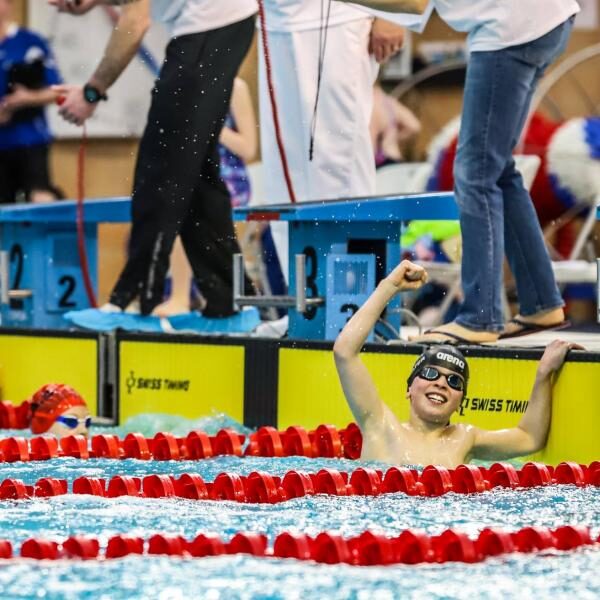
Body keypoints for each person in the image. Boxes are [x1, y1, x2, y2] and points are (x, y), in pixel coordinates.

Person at [336, 0, 580, 344]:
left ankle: (481, 316)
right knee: (497, 169)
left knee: (475, 174)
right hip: (544, 19)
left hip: (511, 29)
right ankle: (541, 301)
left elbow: (413, 2)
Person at [48, 0, 257, 330]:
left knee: (161, 168)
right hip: (218, 26)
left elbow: (134, 22)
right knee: (197, 175)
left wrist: (92, 92)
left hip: (210, 26)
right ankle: (230, 303)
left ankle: (133, 301)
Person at [333, 259, 583, 467]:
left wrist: (543, 373)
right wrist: (389, 287)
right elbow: (344, 351)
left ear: (460, 402)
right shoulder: (380, 425)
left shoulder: (465, 438)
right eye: (431, 373)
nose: (442, 383)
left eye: (454, 381)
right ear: (409, 388)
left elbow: (528, 438)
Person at [259, 1, 406, 279]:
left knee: (340, 168)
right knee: (286, 176)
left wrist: (392, 12)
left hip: (339, 18)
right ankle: (304, 311)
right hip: (276, 20)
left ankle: (356, 305)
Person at [154, 77, 258, 317]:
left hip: (229, 179)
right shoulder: (184, 85)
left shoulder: (235, 88)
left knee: (189, 207)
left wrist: (209, 125)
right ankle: (181, 294)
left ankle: (182, 296)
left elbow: (248, 148)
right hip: (194, 174)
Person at [0, 0, 63, 204]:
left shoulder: (30, 42)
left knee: (40, 200)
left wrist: (26, 99)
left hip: (30, 141)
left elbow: (57, 91)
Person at [371, 82, 420, 168]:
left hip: (373, 160)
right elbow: (415, 126)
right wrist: (394, 136)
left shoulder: (366, 104)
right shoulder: (389, 103)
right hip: (392, 157)